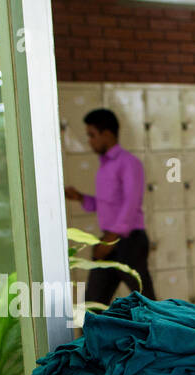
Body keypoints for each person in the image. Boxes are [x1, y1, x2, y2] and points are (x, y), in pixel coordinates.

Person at [64, 108, 156, 303]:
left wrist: (109, 240)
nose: (89, 141)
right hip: (109, 240)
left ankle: (162, 333)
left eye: (92, 135)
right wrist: (81, 197)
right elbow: (108, 205)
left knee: (147, 303)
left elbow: (131, 204)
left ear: (107, 134)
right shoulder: (105, 165)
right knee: (92, 304)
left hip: (129, 242)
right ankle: (91, 334)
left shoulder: (129, 163)